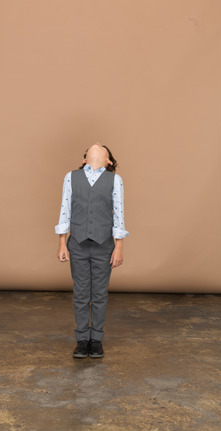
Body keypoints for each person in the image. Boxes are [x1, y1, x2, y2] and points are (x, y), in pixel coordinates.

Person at [55, 142, 129, 359]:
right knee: (80, 293)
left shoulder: (115, 180)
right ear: (84, 159)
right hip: (77, 243)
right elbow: (64, 210)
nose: (96, 143)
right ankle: (81, 340)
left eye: (101, 146)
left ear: (108, 161)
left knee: (99, 294)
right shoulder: (71, 177)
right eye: (92, 145)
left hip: (104, 244)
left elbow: (119, 215)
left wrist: (119, 247)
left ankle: (96, 339)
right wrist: (62, 243)